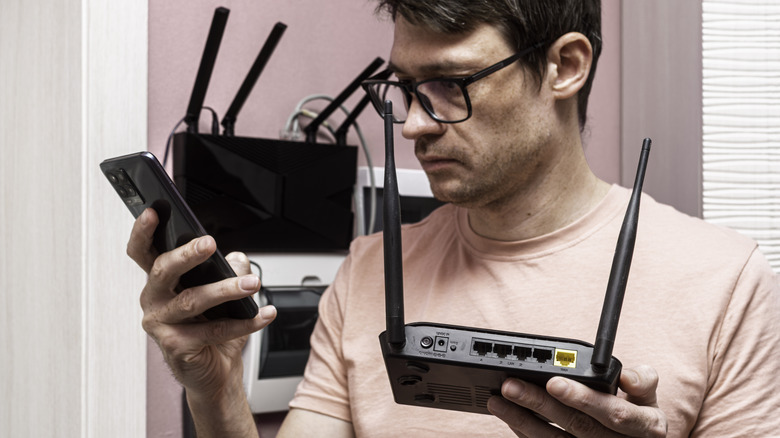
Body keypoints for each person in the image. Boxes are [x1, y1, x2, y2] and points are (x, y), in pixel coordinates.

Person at [127, 0, 780, 436]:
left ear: (565, 65)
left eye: (450, 85)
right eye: (405, 89)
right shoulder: (367, 272)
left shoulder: (726, 282)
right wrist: (215, 392)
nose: (413, 123)